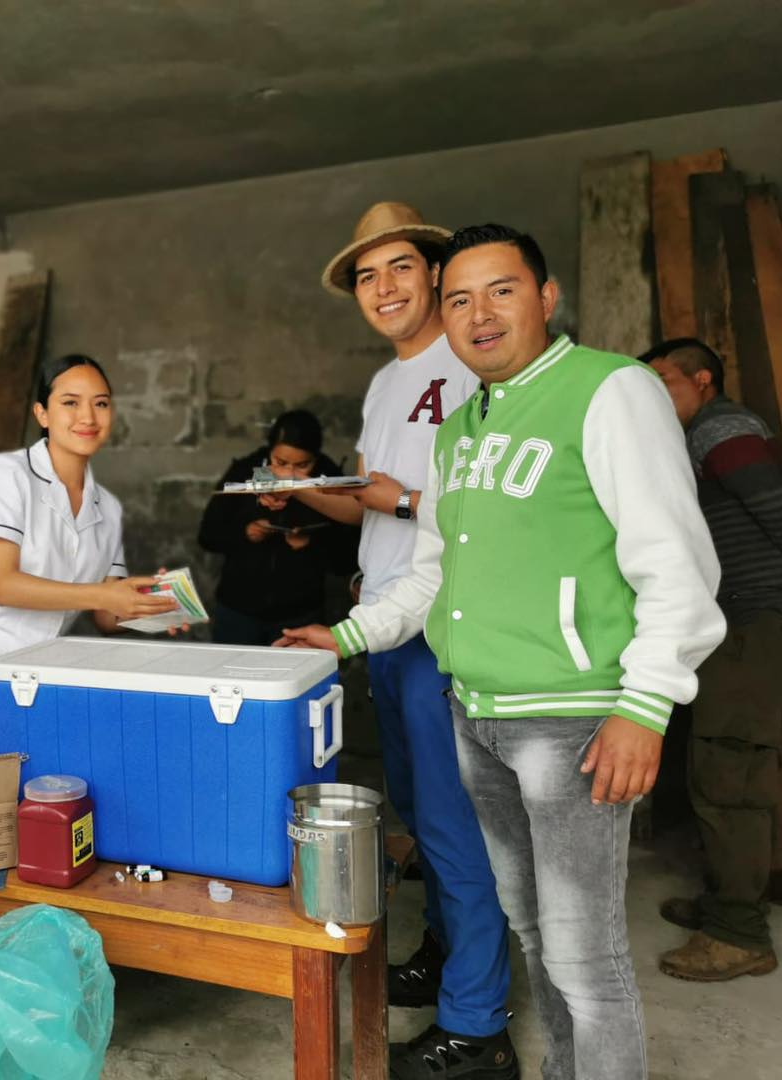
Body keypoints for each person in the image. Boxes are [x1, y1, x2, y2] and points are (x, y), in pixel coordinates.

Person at [281, 224, 725, 1080]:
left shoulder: (611, 390)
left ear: (547, 298)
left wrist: (644, 703)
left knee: (586, 961)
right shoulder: (462, 429)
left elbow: (676, 561)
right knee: (534, 935)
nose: (479, 314)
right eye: (460, 300)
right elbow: (430, 577)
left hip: (570, 721)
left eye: (502, 291)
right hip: (476, 715)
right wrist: (342, 635)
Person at [272, 202, 512, 1070]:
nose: (384, 288)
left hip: (439, 619)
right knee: (415, 807)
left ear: (438, 275)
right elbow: (368, 498)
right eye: (367, 276)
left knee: (454, 822)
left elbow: (460, 511)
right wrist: (301, 492)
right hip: (385, 622)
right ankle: (451, 961)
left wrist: (396, 504)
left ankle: (480, 1024)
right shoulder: (386, 382)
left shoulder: (471, 359)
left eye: (400, 268)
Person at [0, 353, 177, 938]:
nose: (88, 415)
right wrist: (109, 595)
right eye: (70, 402)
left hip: (24, 691)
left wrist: (148, 611)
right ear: (42, 413)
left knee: (4, 850)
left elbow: (105, 613)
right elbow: (4, 582)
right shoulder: (7, 476)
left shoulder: (108, 509)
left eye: (100, 403)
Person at [642, 337, 782, 980]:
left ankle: (738, 933)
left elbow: (778, 512)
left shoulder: (720, 427)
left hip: (753, 618)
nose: (653, 394)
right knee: (739, 765)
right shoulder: (696, 437)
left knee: (727, 770)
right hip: (741, 618)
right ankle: (735, 900)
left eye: (664, 380)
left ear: (702, 378)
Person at [196, 409, 357, 644]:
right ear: (269, 452)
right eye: (280, 462)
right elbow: (208, 535)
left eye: (302, 465)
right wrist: (245, 533)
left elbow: (347, 558)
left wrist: (310, 544)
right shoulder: (247, 470)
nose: (287, 473)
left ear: (316, 458)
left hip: (300, 614)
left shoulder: (329, 479)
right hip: (239, 610)